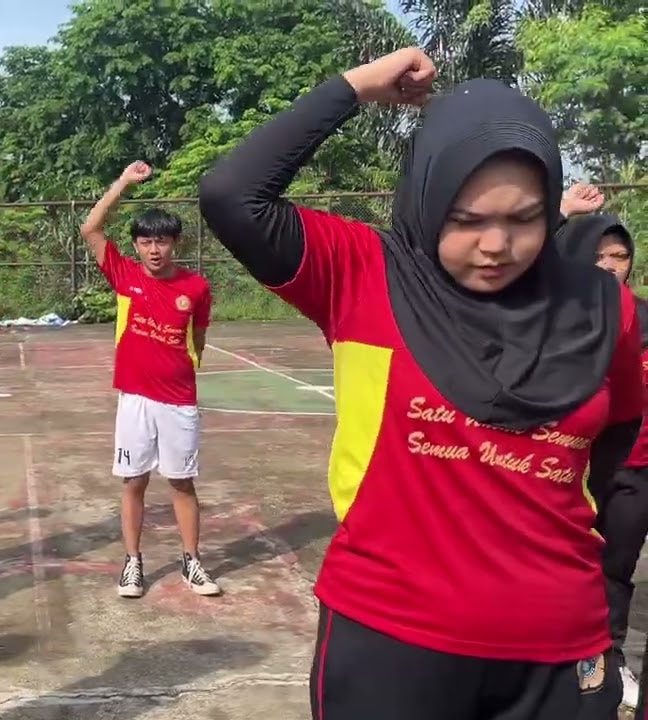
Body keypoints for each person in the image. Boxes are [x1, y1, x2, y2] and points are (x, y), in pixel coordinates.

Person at [199, 48, 643, 720]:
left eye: (523, 219)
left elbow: (619, 446)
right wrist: (355, 88)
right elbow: (233, 195)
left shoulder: (604, 309)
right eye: (467, 220)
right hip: (393, 642)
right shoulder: (364, 274)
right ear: (429, 196)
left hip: (560, 649)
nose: (496, 245)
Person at [79, 161, 220, 599]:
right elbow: (91, 228)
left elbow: (198, 335)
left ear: (174, 243)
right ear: (136, 246)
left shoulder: (196, 287)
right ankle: (133, 563)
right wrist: (122, 181)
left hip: (178, 400)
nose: (154, 249)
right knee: (134, 480)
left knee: (181, 482)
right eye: (145, 241)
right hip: (135, 399)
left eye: (161, 241)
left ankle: (192, 561)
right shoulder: (125, 276)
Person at [557, 212, 648, 712]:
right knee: (601, 570)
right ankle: (601, 661)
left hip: (635, 471)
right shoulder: (551, 323)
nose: (611, 265)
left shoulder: (639, 316)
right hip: (598, 473)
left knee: (619, 567)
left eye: (620, 256)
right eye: (598, 256)